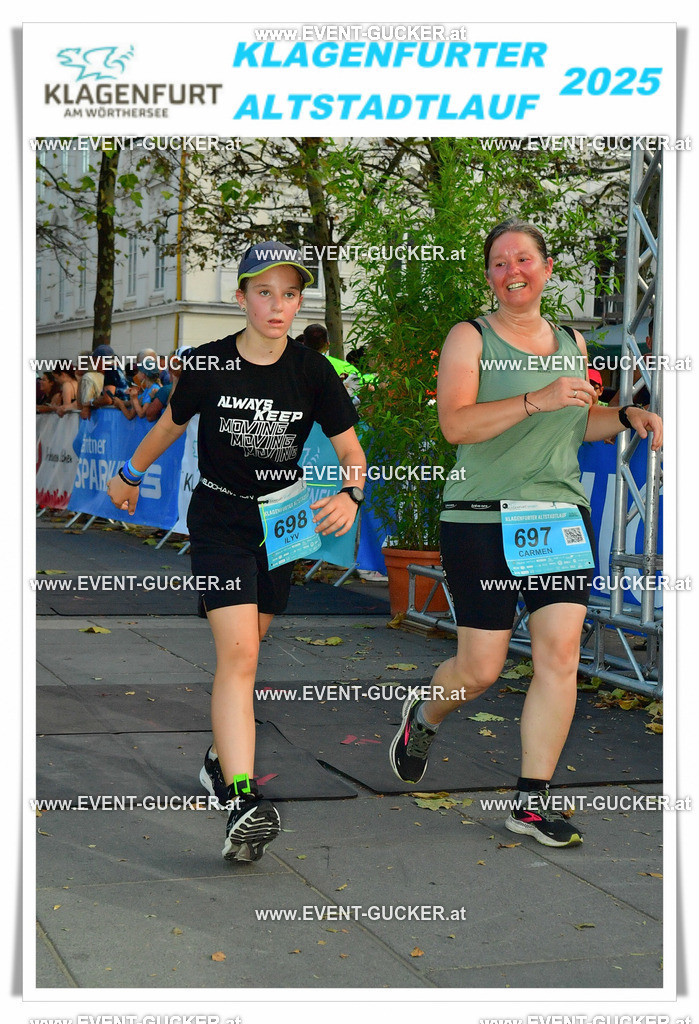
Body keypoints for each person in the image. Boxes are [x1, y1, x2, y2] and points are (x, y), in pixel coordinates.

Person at [389, 218, 662, 848]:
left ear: (545, 269)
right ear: (490, 275)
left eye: (524, 260)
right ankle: (423, 715)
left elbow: (574, 423)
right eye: (499, 262)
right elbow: (456, 425)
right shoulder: (470, 336)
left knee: (559, 657)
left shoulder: (571, 340)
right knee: (482, 669)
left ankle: (532, 802)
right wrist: (535, 397)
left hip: (558, 517)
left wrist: (622, 414)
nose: (513, 270)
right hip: (481, 516)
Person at [106, 241, 366, 863]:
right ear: (243, 297)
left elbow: (352, 451)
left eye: (290, 294)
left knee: (255, 645)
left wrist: (352, 494)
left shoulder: (313, 370)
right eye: (265, 293)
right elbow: (171, 421)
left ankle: (217, 759)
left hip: (284, 520)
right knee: (241, 652)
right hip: (220, 517)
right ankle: (242, 800)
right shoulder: (208, 364)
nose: (278, 306)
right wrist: (130, 471)